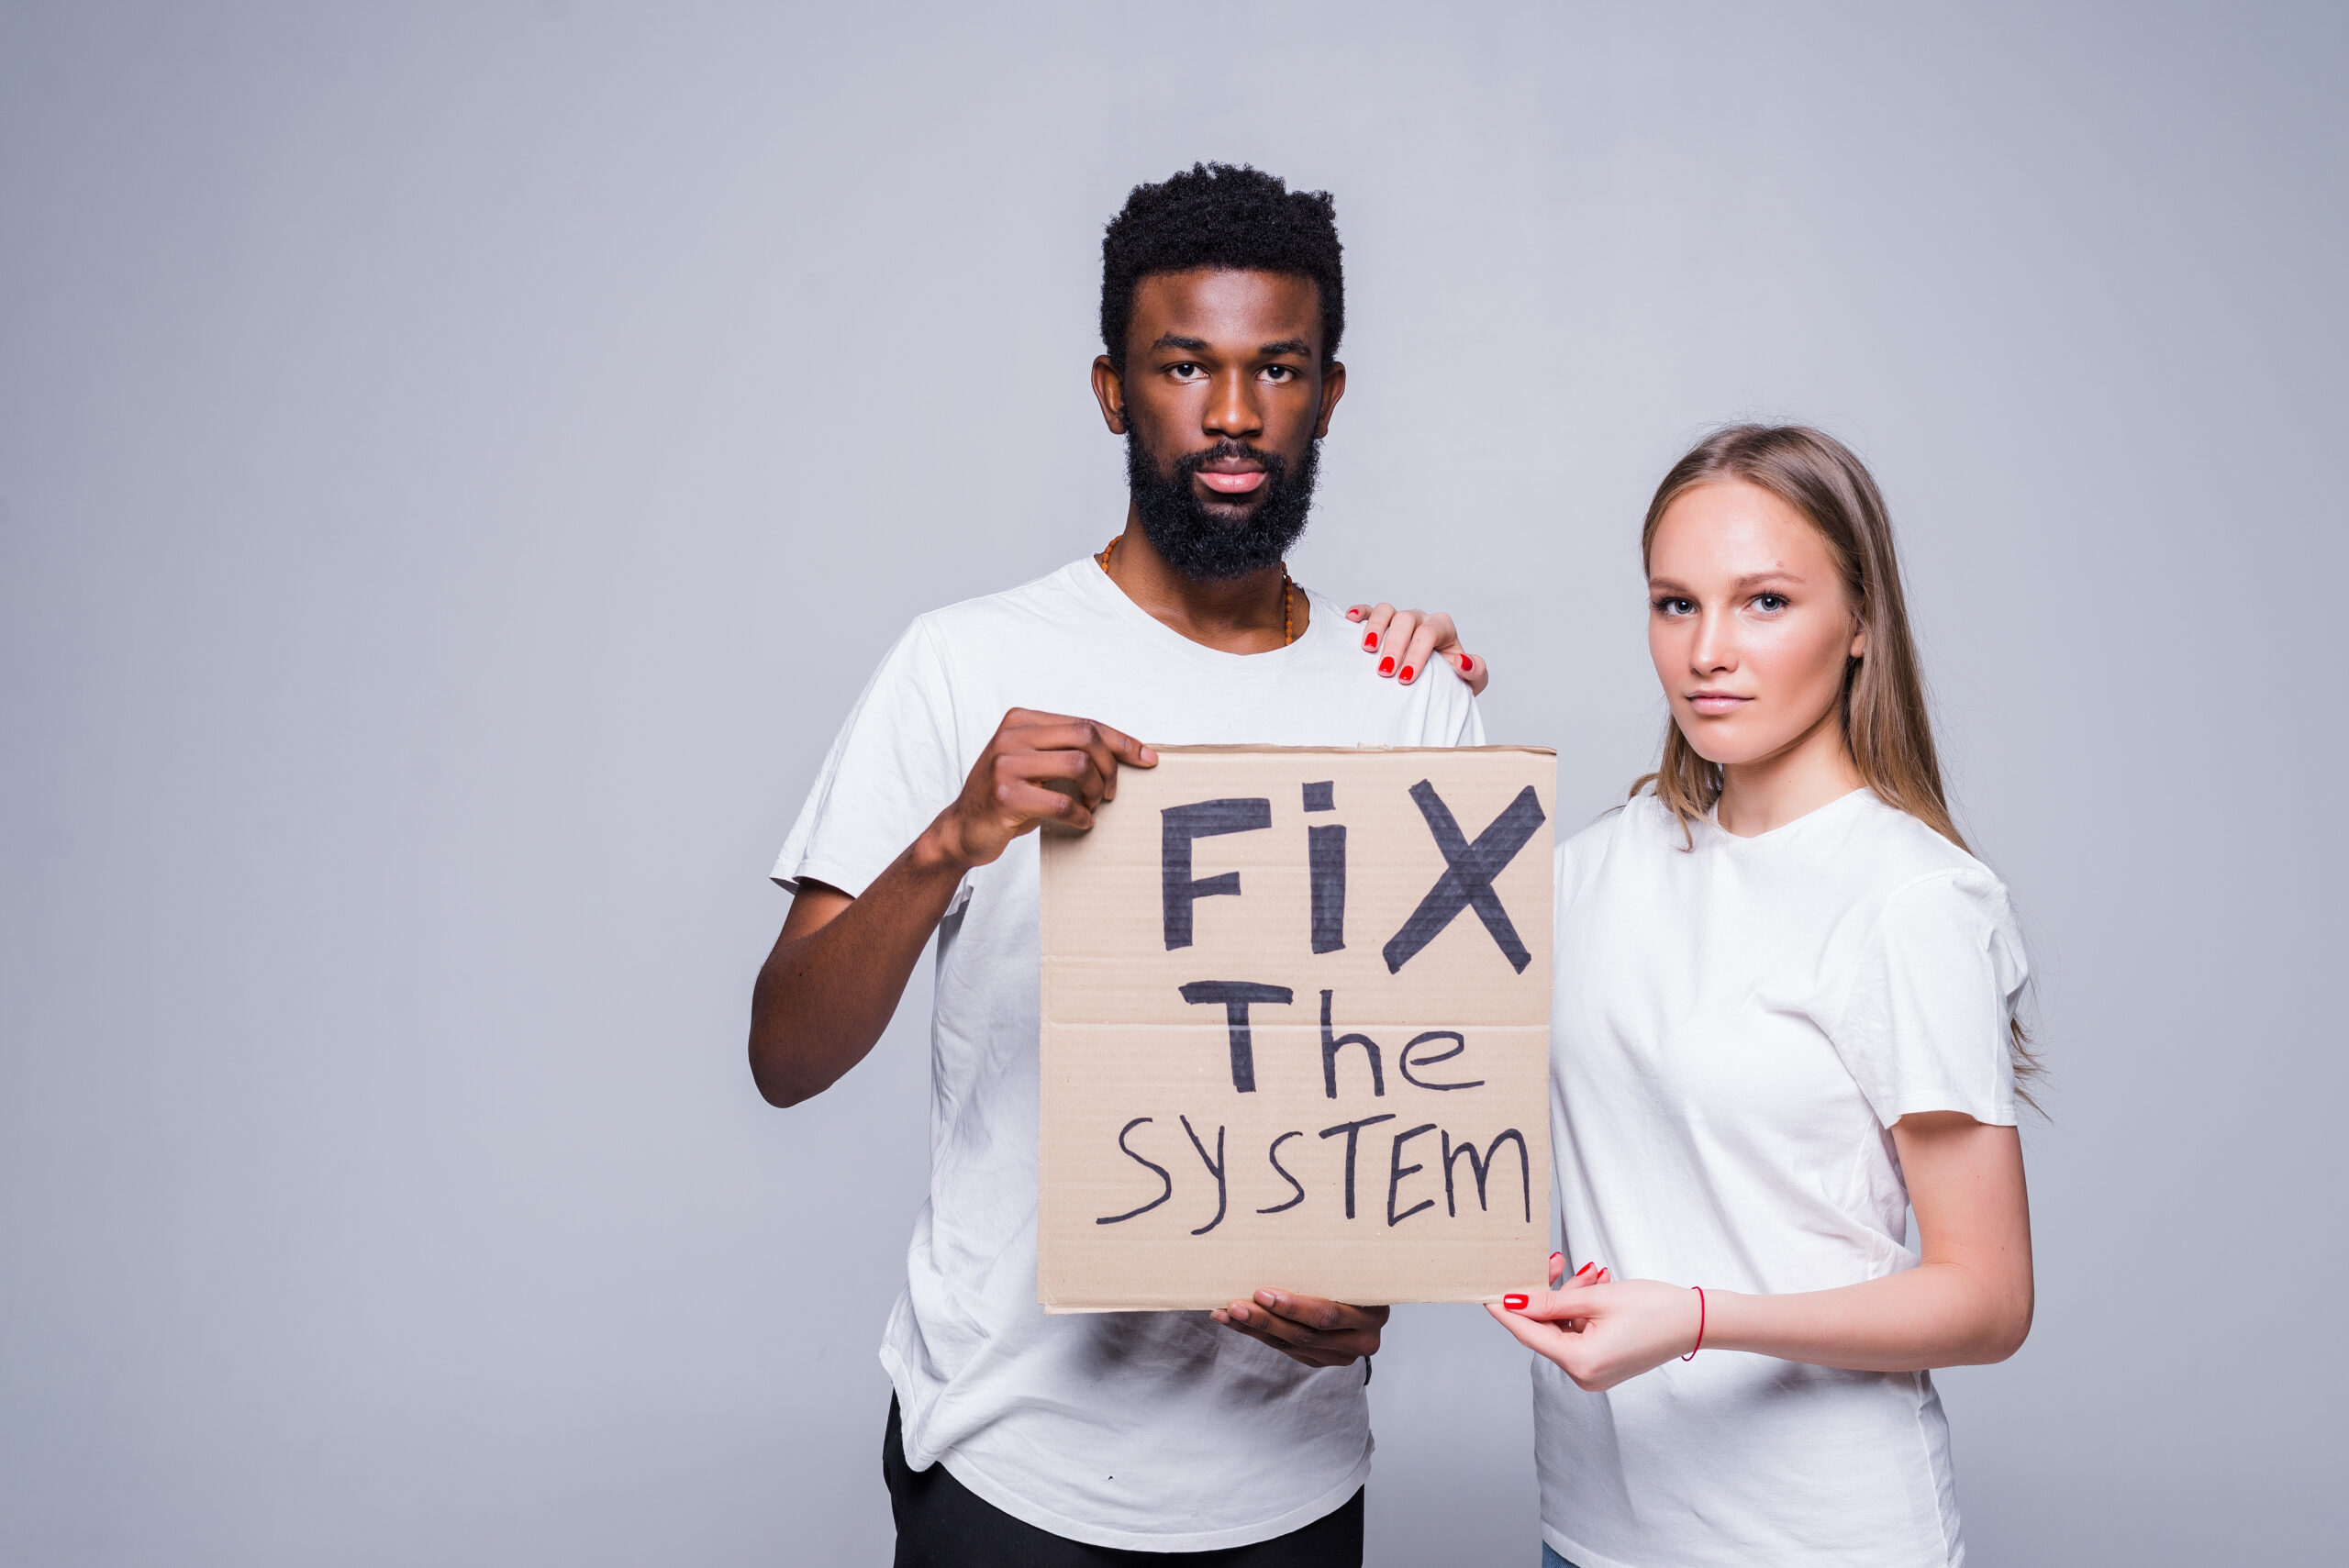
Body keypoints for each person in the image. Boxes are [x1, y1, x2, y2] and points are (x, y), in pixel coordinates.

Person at [750, 163, 1482, 1567]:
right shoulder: (962, 662)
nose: (1229, 414)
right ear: (1110, 390)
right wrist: (952, 840)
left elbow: (1426, 1079)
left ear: (1329, 392)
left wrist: (1377, 1297)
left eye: (1276, 369)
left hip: (1293, 1476)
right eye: (1182, 366)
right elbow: (785, 1052)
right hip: (1013, 1462)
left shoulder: (1411, 698)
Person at [1483, 426, 2037, 1568]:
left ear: (1860, 626)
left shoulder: (1910, 898)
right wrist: (1397, 676)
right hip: (1589, 1530)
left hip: (1813, 1537)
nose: (1708, 651)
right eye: (1675, 604)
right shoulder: (1599, 864)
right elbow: (1368, 1005)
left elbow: (1987, 1298)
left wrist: (1695, 1316)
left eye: (1766, 602)